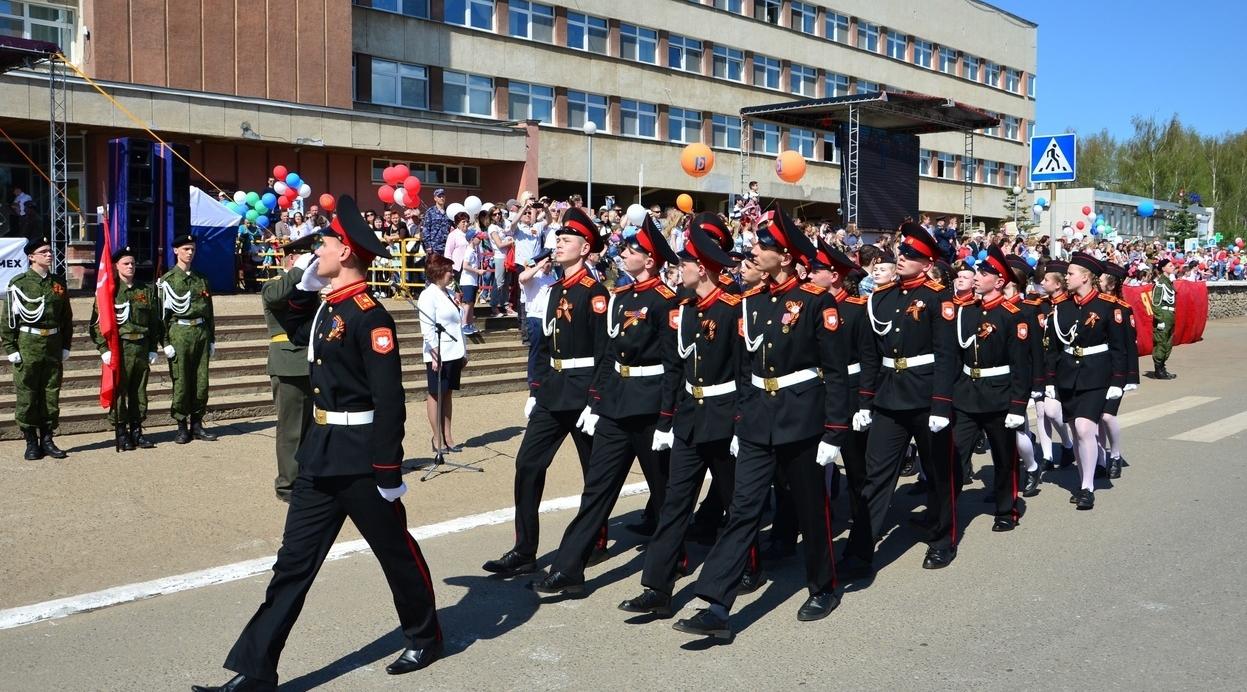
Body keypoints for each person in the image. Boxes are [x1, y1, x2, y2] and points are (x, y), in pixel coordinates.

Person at [192, 196, 441, 692]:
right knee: (292, 565)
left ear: (345, 252)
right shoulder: (329, 306)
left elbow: (390, 400)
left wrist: (388, 468)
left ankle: (425, 635)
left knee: (395, 553)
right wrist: (304, 287)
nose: (316, 252)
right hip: (320, 451)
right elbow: (289, 319)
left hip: (361, 459)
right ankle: (256, 670)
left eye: (324, 244)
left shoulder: (371, 316)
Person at [674, 206, 849, 641]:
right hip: (756, 421)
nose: (754, 250)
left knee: (811, 511)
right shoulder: (750, 301)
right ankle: (717, 604)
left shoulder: (816, 301)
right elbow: (744, 369)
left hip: (801, 420)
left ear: (785, 257)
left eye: (764, 245)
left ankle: (824, 587)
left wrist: (834, 431)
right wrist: (740, 420)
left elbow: (836, 372)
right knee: (743, 509)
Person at [530, 213, 681, 596]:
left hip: (649, 408)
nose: (623, 253)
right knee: (596, 489)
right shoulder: (621, 298)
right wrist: (596, 403)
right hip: (616, 405)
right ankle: (569, 568)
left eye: (632, 250)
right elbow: (609, 354)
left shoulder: (666, 302)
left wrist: (667, 418)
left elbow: (672, 365)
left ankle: (674, 556)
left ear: (649, 260)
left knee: (663, 489)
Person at [618, 215, 760, 618]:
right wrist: (667, 421)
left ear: (703, 267)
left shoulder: (733, 309)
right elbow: (676, 368)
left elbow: (745, 373)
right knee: (676, 503)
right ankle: (658, 588)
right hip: (689, 417)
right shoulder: (685, 308)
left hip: (724, 417)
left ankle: (750, 565)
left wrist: (741, 423)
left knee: (735, 501)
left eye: (685, 263)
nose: (678, 268)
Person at [481, 207, 609, 577]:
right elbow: (543, 346)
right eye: (558, 239)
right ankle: (524, 550)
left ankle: (595, 539)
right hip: (553, 391)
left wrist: (596, 400)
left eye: (567, 240)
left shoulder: (595, 293)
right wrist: (535, 389)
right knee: (528, 464)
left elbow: (604, 351)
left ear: (585, 248)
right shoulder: (553, 291)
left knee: (595, 473)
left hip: (583, 393)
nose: (559, 244)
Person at [845, 222, 959, 577]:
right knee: (876, 476)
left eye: (911, 254)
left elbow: (947, 355)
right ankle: (859, 552)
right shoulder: (881, 297)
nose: (902, 257)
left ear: (927, 263)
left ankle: (942, 539)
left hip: (926, 397)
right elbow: (870, 355)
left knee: (938, 472)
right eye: (902, 251)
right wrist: (865, 401)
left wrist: (941, 404)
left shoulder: (938, 297)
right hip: (889, 397)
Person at [950, 245, 1031, 532]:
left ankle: (1006, 510)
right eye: (977, 272)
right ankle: (945, 510)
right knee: (954, 454)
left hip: (999, 395)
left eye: (983, 274)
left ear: (998, 282)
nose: (976, 277)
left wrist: (1018, 406)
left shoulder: (1012, 315)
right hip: (966, 394)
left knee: (1004, 456)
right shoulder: (967, 311)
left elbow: (1021, 365)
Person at [1047, 252, 1127, 510]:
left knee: (1084, 429)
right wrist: (1049, 381)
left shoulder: (1107, 306)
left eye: (1070, 274)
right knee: (1075, 430)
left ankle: (1087, 487)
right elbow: (1054, 349)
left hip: (1097, 375)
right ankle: (1085, 477)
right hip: (1068, 375)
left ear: (1085, 277)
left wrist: (1118, 382)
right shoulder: (1062, 307)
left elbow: (1119, 348)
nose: (1066, 278)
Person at [1, 236, 73, 460]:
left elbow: (66, 318)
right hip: (28, 344)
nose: (49, 255)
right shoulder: (19, 283)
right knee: (28, 394)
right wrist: (10, 347)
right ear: (31, 257)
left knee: (51, 392)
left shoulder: (58, 283)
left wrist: (66, 345)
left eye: (50, 251)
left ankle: (48, 439)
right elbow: (8, 320)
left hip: (53, 344)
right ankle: (31, 441)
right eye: (43, 252)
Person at [90, 245, 161, 452]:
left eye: (132, 263)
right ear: (116, 266)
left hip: (140, 347)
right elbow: (96, 324)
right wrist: (103, 349)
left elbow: (154, 322)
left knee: (139, 391)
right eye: (126, 263)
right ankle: (121, 432)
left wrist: (153, 348)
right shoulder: (109, 292)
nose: (130, 267)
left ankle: (137, 431)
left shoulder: (145, 290)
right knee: (119, 392)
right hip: (119, 348)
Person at [262, 236, 315, 503]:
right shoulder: (275, 284)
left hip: (310, 361)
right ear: (292, 259)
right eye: (304, 257)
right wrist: (297, 271)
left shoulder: (309, 286)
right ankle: (287, 485)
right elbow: (275, 297)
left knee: (312, 427)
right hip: (287, 363)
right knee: (291, 429)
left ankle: (307, 478)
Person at [159, 234, 218, 444]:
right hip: (180, 334)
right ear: (176, 251)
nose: (190, 253)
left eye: (192, 249)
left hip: (200, 333)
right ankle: (182, 426)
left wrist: (212, 338)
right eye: (186, 249)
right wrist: (165, 342)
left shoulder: (201, 279)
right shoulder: (167, 281)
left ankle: (197, 424)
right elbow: (162, 316)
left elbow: (209, 311)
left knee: (201, 381)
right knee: (182, 381)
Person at [419, 254, 467, 453]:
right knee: (435, 394)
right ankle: (437, 437)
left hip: (454, 351)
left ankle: (448, 436)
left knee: (447, 394)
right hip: (438, 352)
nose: (452, 274)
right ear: (438, 272)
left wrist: (464, 352)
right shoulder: (428, 295)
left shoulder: (449, 293)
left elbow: (457, 324)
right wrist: (434, 353)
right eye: (449, 271)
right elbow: (427, 327)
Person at [1098, 261, 1139, 479]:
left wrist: (1130, 376)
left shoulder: (1122, 309)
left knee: (1107, 416)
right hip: (1096, 369)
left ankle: (1114, 455)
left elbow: (1129, 345)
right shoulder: (1094, 306)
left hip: (1117, 371)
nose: (1098, 281)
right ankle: (1099, 459)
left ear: (1112, 284)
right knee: (1095, 417)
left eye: (1101, 278)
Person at [1149, 257, 1178, 379]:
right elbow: (1156, 303)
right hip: (1163, 315)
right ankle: (1158, 370)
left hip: (1170, 315)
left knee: (1168, 342)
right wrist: (1160, 319)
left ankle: (1162, 367)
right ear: (1163, 268)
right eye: (1170, 265)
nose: (1173, 267)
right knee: (1161, 342)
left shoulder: (1168, 283)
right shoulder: (1160, 283)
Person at [459, 229, 485, 335]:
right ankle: (464, 324)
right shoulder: (469, 251)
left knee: (471, 303)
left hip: (472, 281)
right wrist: (477, 271)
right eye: (478, 237)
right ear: (472, 239)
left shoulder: (474, 250)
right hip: (467, 281)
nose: (480, 239)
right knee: (467, 303)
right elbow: (465, 266)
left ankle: (469, 323)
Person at [423, 188, 451, 257]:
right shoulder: (430, 212)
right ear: (435, 198)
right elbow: (426, 230)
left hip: (447, 246)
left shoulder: (449, 211)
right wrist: (428, 246)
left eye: (443, 196)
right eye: (439, 196)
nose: (442, 198)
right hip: (434, 247)